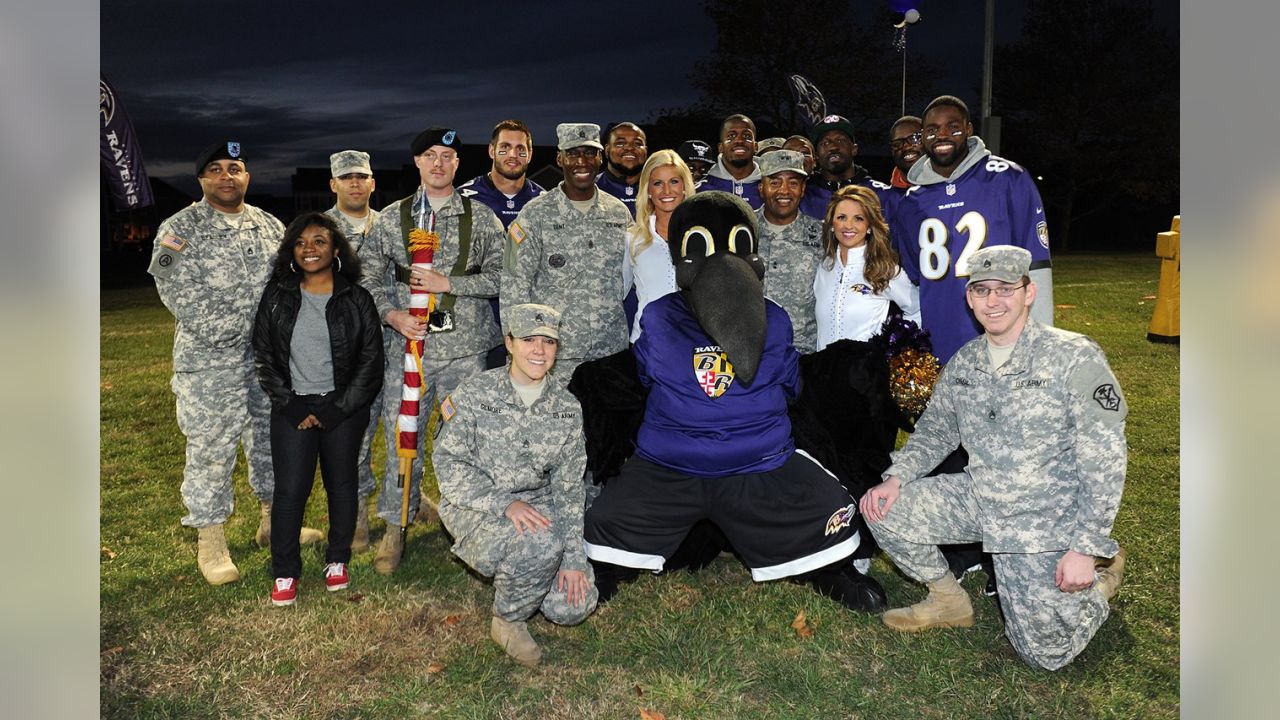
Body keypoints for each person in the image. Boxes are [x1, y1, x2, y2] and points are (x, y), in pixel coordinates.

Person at [584, 192, 886, 613]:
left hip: (759, 462)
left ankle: (829, 570)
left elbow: (788, 383)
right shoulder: (659, 316)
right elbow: (650, 375)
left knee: (825, 508)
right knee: (606, 520)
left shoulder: (774, 319)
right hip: (671, 465)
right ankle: (609, 569)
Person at [859, 246, 1127, 671]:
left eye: (1006, 288)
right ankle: (948, 601)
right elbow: (936, 431)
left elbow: (1105, 458)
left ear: (1028, 292)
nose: (993, 300)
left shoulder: (1073, 357)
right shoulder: (966, 362)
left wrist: (1085, 544)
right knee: (880, 507)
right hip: (981, 497)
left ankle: (1100, 579)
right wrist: (896, 477)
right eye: (982, 290)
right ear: (969, 298)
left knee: (1044, 655)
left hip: (1042, 518)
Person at [148, 140, 322, 586]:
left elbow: (289, 283)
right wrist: (246, 329)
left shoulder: (268, 225)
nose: (227, 176)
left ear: (247, 176)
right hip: (212, 362)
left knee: (271, 441)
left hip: (267, 363)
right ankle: (211, 540)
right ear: (202, 178)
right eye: (216, 169)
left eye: (236, 168)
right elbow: (177, 291)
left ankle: (271, 522)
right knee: (212, 448)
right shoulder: (180, 227)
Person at [358, 126, 507, 574]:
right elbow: (367, 276)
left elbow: (504, 275)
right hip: (408, 349)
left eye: (447, 156)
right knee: (402, 439)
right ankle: (395, 527)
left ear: (458, 164)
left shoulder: (481, 218)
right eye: (429, 155)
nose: (438, 163)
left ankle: (472, 523)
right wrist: (391, 315)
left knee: (466, 442)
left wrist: (450, 283)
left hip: (466, 352)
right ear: (417, 163)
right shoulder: (391, 218)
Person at [434, 303, 597, 667]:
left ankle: (527, 573)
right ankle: (508, 620)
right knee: (539, 543)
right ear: (509, 343)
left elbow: (570, 488)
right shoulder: (474, 394)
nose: (539, 351)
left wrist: (572, 557)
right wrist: (504, 504)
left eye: (549, 342)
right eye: (528, 340)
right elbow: (448, 466)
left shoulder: (567, 408)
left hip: (539, 504)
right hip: (475, 504)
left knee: (573, 606)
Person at [253, 213, 384, 606]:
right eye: (301, 243)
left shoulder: (357, 299)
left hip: (341, 408)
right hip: (292, 407)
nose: (310, 249)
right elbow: (263, 355)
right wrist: (290, 405)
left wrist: (336, 410)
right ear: (291, 252)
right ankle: (285, 572)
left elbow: (370, 363)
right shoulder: (276, 296)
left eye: (319, 241)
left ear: (336, 250)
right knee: (290, 490)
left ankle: (337, 560)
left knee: (341, 484)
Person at [891, 94, 1054, 365]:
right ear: (923, 137)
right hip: (939, 337)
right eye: (932, 130)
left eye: (952, 126)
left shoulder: (1008, 178)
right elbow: (915, 277)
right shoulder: (911, 202)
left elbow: (1037, 264)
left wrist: (1041, 339)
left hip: (1004, 331)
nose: (942, 135)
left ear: (968, 129)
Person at [502, 122, 631, 374]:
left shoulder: (619, 213)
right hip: (555, 356)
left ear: (600, 159)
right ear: (560, 159)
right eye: (572, 153)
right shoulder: (535, 214)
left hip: (610, 352)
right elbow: (513, 287)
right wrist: (518, 349)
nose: (581, 162)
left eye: (589, 153)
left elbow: (629, 279)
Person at [324, 149, 382, 552]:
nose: (355, 183)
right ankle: (357, 515)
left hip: (393, 344)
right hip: (343, 354)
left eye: (361, 176)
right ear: (334, 184)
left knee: (399, 427)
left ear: (372, 182)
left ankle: (403, 501)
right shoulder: (319, 229)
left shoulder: (391, 224)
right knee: (353, 438)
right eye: (347, 178)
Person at [814, 185, 920, 350]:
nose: (848, 225)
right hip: (823, 372)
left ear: (870, 226)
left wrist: (897, 351)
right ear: (832, 224)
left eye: (859, 218)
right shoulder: (824, 267)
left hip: (865, 373)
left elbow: (917, 310)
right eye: (842, 217)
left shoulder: (884, 269)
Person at [754, 150, 824, 353]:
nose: (784, 191)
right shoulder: (742, 231)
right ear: (761, 188)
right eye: (775, 182)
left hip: (802, 356)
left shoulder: (823, 236)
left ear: (803, 189)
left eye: (793, 183)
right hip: (750, 356)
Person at [622, 150, 694, 342]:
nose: (667, 191)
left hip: (695, 343)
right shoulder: (632, 239)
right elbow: (618, 292)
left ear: (685, 186)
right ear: (648, 190)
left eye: (674, 181)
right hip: (647, 343)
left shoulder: (703, 237)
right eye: (658, 184)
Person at [800, 115, 896, 221]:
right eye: (825, 143)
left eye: (840, 140)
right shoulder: (802, 197)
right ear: (816, 155)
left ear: (854, 149)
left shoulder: (883, 195)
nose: (833, 147)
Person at [458, 119, 545, 231]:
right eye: (505, 147)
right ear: (492, 151)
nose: (513, 155)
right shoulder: (463, 199)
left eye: (520, 148)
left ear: (530, 155)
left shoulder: (544, 202)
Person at [696, 113, 762, 208]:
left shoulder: (771, 188)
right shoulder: (701, 191)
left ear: (755, 146)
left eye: (747, 136)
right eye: (731, 136)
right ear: (721, 147)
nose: (739, 140)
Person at [595, 121, 648, 217]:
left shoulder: (661, 187)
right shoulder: (591, 189)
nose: (629, 148)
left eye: (637, 144)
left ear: (645, 151)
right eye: (620, 143)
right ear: (607, 150)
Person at [887, 115, 923, 193]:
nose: (906, 147)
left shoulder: (950, 186)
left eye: (914, 139)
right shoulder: (884, 199)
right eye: (897, 144)